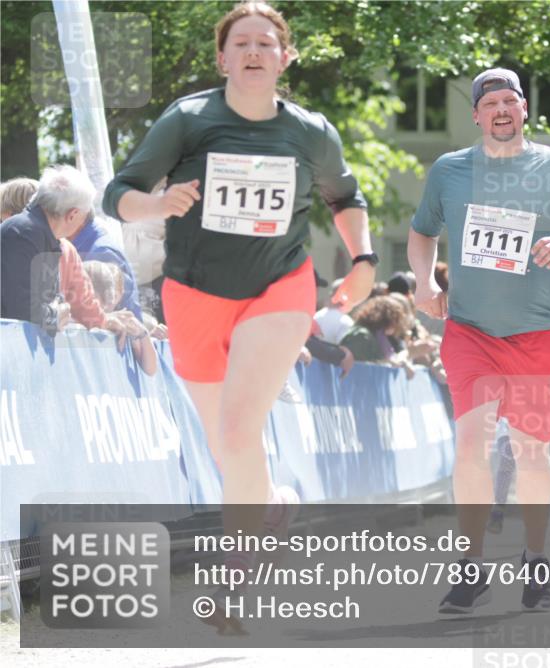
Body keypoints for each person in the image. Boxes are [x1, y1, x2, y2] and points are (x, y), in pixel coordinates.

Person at [100, 1, 375, 633]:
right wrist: (158, 203)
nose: (254, 51)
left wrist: (362, 258)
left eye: (266, 42)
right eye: (242, 43)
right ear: (223, 59)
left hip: (278, 286)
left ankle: (235, 579)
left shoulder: (310, 131)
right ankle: (274, 502)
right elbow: (120, 193)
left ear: (286, 57)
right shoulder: (188, 119)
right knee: (225, 444)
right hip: (194, 291)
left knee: (239, 427)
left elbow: (345, 195)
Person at [408, 66, 550, 614]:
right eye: (490, 102)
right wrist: (425, 282)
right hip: (470, 331)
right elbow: (422, 231)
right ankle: (472, 565)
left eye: (510, 100)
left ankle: (535, 560)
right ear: (476, 115)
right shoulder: (450, 170)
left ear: (524, 109)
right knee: (471, 444)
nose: (501, 109)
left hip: (537, 333)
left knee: (530, 451)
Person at [1, 166, 93, 335]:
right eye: (84, 217)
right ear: (72, 215)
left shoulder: (41, 235)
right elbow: (21, 309)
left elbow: (47, 300)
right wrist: (55, 315)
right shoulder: (23, 233)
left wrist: (58, 310)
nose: (83, 224)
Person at [83, 261, 158, 376]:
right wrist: (102, 319)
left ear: (119, 295)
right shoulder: (74, 315)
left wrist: (143, 334)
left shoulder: (124, 321)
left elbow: (150, 369)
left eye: (111, 294)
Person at [339, 295, 416, 377]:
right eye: (396, 320)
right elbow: (355, 365)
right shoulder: (361, 336)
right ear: (386, 318)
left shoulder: (380, 338)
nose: (397, 326)